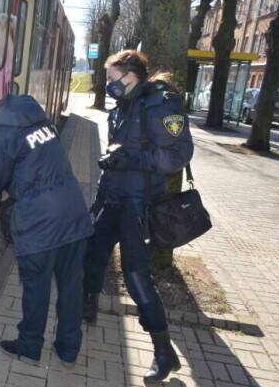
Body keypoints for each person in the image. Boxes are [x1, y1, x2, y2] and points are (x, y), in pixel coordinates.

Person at [0, 87, 94, 367]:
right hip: (73, 213)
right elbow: (22, 163)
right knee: (71, 287)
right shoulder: (35, 118)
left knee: (36, 288)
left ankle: (29, 346)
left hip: (39, 222)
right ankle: (68, 348)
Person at [82, 50, 194, 382]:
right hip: (114, 201)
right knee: (92, 254)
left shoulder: (161, 105)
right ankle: (87, 308)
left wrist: (133, 160)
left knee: (136, 277)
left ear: (131, 77)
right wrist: (98, 200)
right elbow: (111, 160)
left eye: (113, 79)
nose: (109, 85)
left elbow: (178, 154)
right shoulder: (121, 109)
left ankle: (164, 352)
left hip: (140, 207)